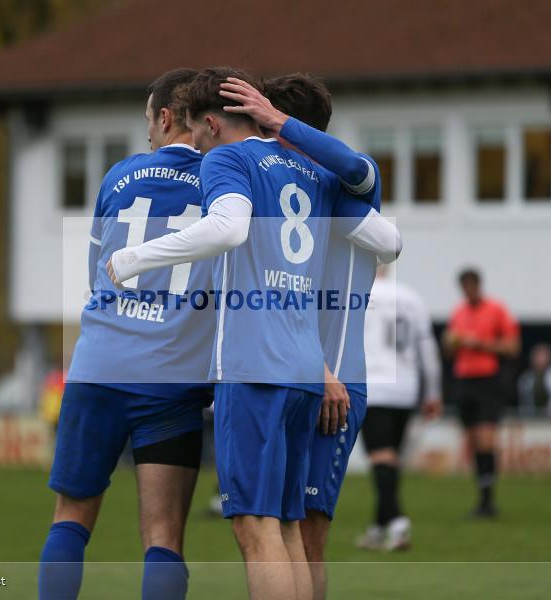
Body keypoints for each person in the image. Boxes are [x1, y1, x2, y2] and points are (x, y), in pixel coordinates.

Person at [108, 67, 399, 600]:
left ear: (213, 124)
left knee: (256, 526)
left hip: (256, 370)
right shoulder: (317, 180)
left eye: (195, 129)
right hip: (303, 372)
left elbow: (230, 227)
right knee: (288, 527)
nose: (193, 143)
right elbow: (389, 238)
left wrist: (134, 257)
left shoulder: (232, 159)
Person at [38, 68, 215, 600]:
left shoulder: (119, 176)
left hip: (98, 366)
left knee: (71, 517)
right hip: (171, 378)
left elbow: (98, 269)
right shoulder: (224, 184)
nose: (147, 134)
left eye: (148, 121)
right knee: (164, 537)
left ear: (165, 117)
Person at [223, 72, 395, 598]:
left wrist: (278, 122)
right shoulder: (288, 185)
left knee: (303, 535)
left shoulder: (343, 184)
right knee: (286, 527)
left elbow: (368, 193)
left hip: (332, 380)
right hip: (301, 372)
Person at [355, 265, 442, 551]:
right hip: (406, 388)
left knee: (380, 458)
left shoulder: (359, 293)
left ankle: (397, 523)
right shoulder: (411, 298)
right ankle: (377, 529)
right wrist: (432, 392)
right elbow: (428, 351)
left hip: (374, 385)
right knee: (390, 459)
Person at [443, 268, 520, 518]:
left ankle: (488, 501)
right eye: (464, 287)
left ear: (478, 285)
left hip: (488, 380)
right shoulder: (458, 312)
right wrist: (452, 342)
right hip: (464, 380)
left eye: (471, 286)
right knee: (475, 440)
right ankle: (483, 499)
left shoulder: (497, 309)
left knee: (487, 438)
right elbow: (448, 348)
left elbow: (512, 347)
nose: (467, 291)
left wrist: (481, 344)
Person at [516, 344, 551, 417]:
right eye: (536, 356)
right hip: (532, 420)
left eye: (542, 356)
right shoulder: (526, 377)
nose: (539, 359)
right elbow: (525, 401)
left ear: (549, 357)